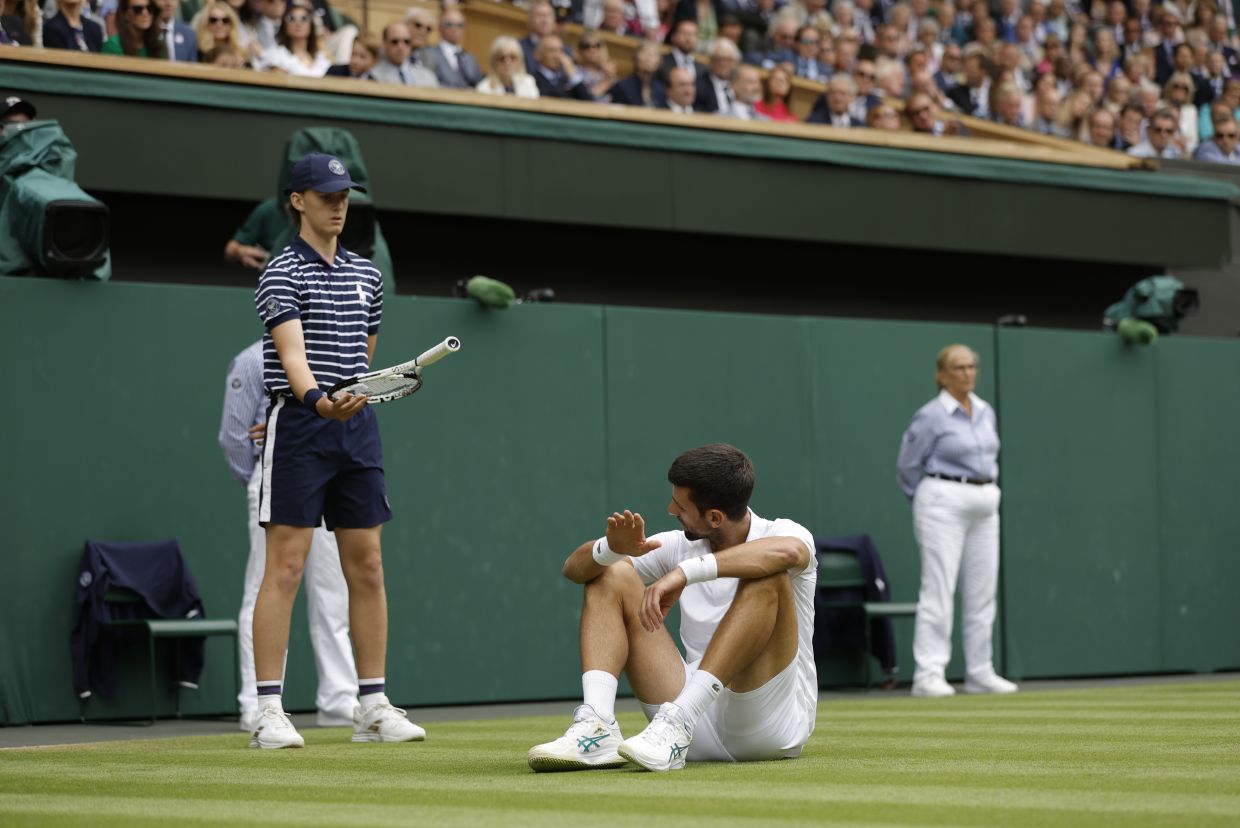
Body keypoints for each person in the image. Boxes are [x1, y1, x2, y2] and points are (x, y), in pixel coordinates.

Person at [250, 152, 423, 749]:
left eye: (344, 194)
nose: (339, 204)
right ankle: (269, 711)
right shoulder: (280, 273)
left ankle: (371, 705)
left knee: (368, 566)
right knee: (287, 567)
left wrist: (353, 398)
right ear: (297, 201)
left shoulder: (368, 274)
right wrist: (321, 400)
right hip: (301, 425)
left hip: (357, 427)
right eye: (326, 195)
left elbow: (364, 357)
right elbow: (294, 358)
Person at [526, 443, 818, 773]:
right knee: (611, 573)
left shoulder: (785, 533)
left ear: (715, 517)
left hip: (765, 725)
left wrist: (683, 574)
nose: (670, 509)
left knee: (769, 575)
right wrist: (608, 549)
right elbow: (573, 570)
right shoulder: (678, 544)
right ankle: (597, 725)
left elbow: (788, 554)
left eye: (680, 506)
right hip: (677, 721)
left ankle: (681, 717)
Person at [218, 341, 358, 735]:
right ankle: (255, 703)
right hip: (277, 477)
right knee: (266, 585)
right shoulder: (250, 360)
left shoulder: (333, 351)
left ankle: (340, 698)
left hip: (330, 474)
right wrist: (260, 479)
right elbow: (233, 437)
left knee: (332, 592)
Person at [896, 344, 1017, 699]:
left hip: (985, 500)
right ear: (942, 375)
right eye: (959, 367)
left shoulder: (985, 411)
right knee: (939, 588)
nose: (967, 373)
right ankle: (929, 674)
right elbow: (907, 466)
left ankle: (981, 672)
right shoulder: (931, 416)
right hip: (943, 499)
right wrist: (924, 501)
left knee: (982, 591)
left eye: (971, 366)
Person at [255, 0, 330, 76]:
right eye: (291, 18)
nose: (298, 23)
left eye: (304, 18)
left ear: (311, 25)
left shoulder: (321, 58)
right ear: (284, 25)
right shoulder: (276, 55)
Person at [418, 5, 482, 88]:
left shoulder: (470, 58)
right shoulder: (429, 53)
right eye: (449, 24)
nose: (454, 29)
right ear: (440, 28)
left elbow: (479, 85)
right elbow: (427, 84)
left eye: (459, 25)